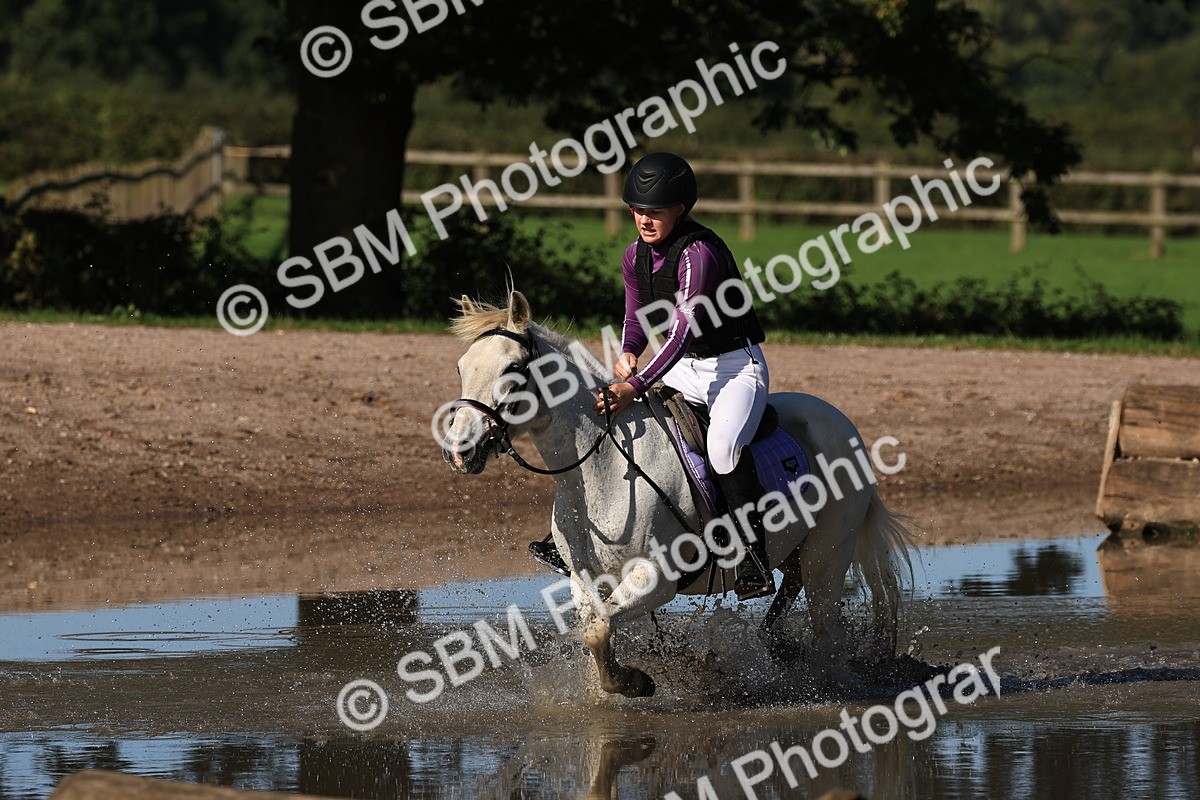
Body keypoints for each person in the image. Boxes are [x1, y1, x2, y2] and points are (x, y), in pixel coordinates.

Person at [531, 152, 775, 601]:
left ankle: (753, 560)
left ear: (680, 209)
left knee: (722, 450)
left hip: (734, 368)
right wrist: (627, 353)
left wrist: (635, 383)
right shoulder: (635, 256)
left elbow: (681, 331)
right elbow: (636, 316)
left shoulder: (698, 255)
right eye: (639, 210)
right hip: (683, 368)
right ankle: (572, 539)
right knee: (625, 425)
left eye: (655, 211)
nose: (645, 219)